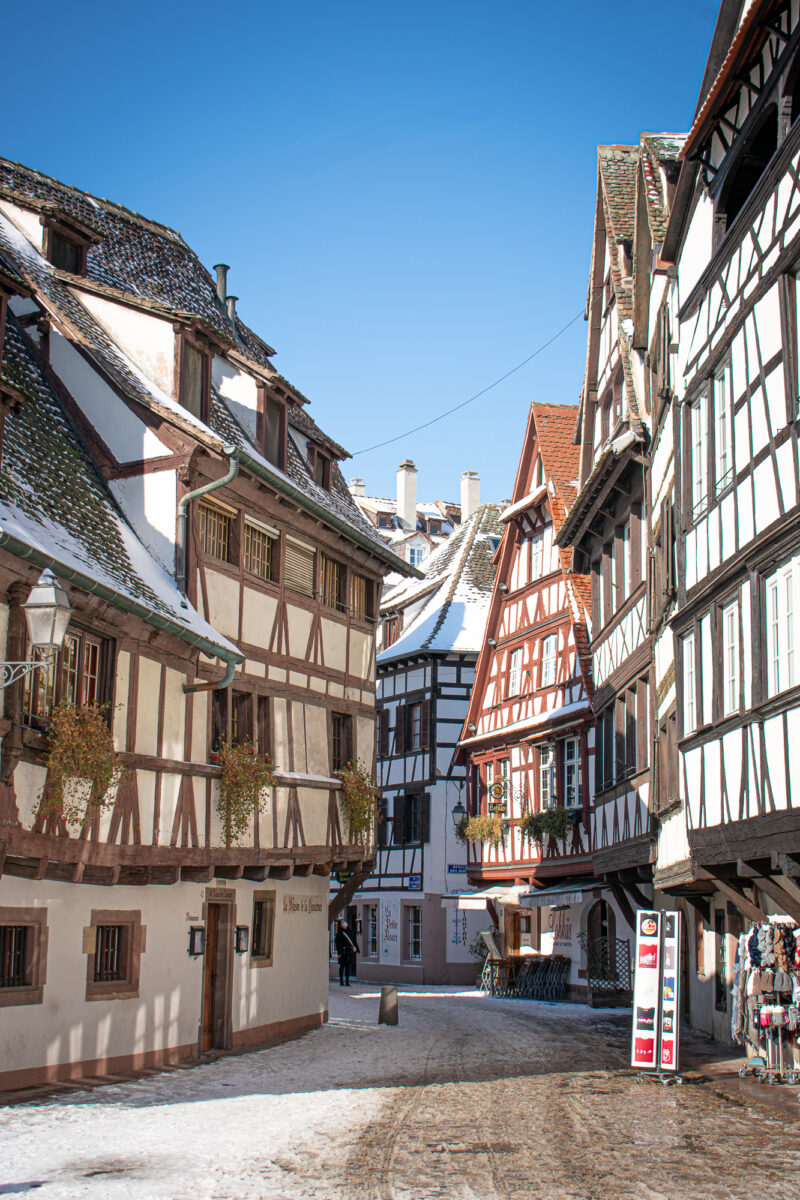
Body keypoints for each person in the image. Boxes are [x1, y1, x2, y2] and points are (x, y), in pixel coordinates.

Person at [335, 919, 360, 987]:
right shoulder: (339, 934)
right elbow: (338, 944)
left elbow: (354, 941)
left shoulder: (350, 932)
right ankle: (341, 981)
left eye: (344, 922)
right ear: (340, 925)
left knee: (348, 967)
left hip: (349, 951)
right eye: (342, 923)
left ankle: (347, 981)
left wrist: (356, 949)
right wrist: (339, 953)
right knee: (342, 966)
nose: (344, 924)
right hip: (343, 951)